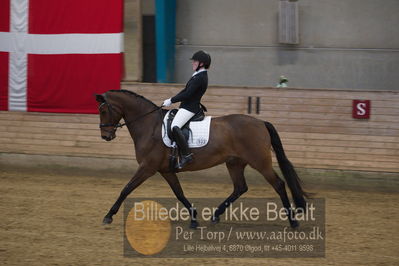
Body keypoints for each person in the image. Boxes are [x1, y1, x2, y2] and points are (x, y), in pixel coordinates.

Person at [162, 50, 211, 169]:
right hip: (186, 106)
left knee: (175, 126)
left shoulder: (200, 77)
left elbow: (188, 94)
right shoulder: (197, 75)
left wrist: (172, 100)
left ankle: (186, 155)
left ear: (201, 64)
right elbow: (185, 91)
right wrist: (171, 99)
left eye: (195, 61)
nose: (192, 63)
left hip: (190, 108)